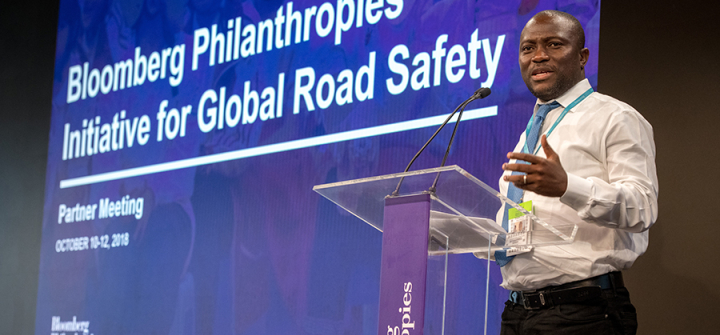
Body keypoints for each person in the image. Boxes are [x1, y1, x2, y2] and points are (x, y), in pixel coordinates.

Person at [495, 10, 658, 334]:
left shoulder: (615, 117)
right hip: (517, 313)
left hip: (583, 312)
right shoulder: (533, 128)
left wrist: (568, 187)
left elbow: (642, 207)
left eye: (553, 44)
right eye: (528, 48)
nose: (538, 56)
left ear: (582, 56)